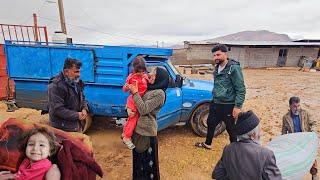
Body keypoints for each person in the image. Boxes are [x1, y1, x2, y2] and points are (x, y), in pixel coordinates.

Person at [195, 44, 246, 149]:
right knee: (211, 122)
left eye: (218, 54)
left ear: (225, 54)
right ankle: (207, 143)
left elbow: (241, 89)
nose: (216, 57)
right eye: (214, 55)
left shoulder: (233, 68)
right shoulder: (217, 67)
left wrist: (238, 106)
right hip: (216, 102)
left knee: (231, 128)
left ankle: (234, 149)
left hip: (228, 105)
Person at [213, 111, 282, 180]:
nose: (260, 134)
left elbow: (217, 174)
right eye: (259, 131)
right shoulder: (266, 154)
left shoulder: (228, 149)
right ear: (253, 135)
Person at [127, 66, 169, 180]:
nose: (150, 74)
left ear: (160, 78)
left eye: (154, 73)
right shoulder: (148, 88)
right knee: (138, 162)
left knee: (148, 166)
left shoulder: (160, 94)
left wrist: (135, 93)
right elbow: (134, 103)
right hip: (137, 130)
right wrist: (128, 108)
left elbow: (144, 109)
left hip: (146, 133)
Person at [48, 58, 89, 132]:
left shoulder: (77, 82)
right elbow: (58, 110)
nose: (79, 75)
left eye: (79, 72)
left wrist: (84, 108)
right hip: (62, 129)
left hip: (76, 125)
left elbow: (82, 97)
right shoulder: (55, 86)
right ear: (66, 71)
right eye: (76, 72)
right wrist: (77, 115)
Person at [282, 96, 318, 180]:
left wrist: (312, 132)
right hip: (294, 142)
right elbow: (284, 132)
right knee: (294, 160)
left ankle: (314, 174)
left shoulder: (305, 113)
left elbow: (313, 123)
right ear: (290, 106)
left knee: (311, 157)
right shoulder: (285, 117)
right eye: (295, 106)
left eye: (298, 106)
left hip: (306, 139)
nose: (297, 108)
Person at [122, 57, 150, 149]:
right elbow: (124, 89)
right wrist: (126, 87)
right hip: (133, 101)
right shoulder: (130, 77)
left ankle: (124, 133)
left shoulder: (145, 76)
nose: (141, 73)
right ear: (134, 69)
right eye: (139, 71)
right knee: (133, 119)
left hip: (141, 102)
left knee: (134, 120)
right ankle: (127, 137)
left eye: (143, 71)